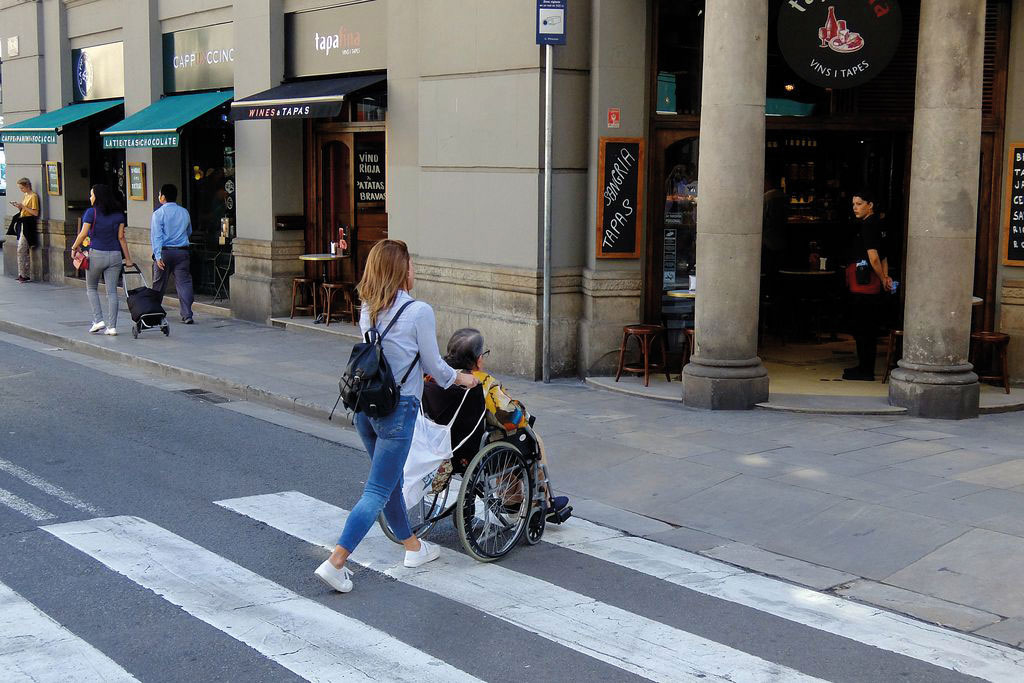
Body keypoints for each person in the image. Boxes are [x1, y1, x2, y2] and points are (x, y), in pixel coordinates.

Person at [315, 240, 479, 594]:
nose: (414, 270)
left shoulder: (367, 309)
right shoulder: (419, 311)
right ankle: (337, 561)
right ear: (401, 271)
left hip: (365, 408)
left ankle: (413, 548)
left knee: (386, 482)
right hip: (398, 411)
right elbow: (434, 365)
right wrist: (461, 378)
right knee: (377, 490)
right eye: (410, 265)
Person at [423, 328, 571, 521]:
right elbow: (512, 417)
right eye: (483, 354)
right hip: (474, 448)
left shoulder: (433, 377)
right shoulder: (483, 382)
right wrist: (520, 409)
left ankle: (512, 500)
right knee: (529, 439)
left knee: (501, 439)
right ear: (477, 359)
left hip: (446, 444)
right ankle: (540, 502)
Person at [843, 190, 894, 381]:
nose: (855, 208)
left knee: (862, 327)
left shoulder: (867, 225)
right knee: (868, 327)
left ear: (870, 205)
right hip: (872, 283)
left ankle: (865, 370)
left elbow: (874, 257)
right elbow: (884, 256)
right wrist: (886, 276)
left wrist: (882, 278)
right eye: (854, 204)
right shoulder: (880, 224)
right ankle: (864, 367)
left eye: (859, 204)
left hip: (864, 283)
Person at [70, 184, 133, 336]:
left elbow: (83, 233)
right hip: (115, 256)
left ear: (97, 197)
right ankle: (112, 327)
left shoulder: (91, 213)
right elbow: (121, 238)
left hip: (97, 254)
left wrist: (74, 248)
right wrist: (129, 259)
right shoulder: (119, 214)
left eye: (91, 195)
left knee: (91, 288)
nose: (90, 197)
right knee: (112, 292)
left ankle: (98, 320)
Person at [150, 184, 195, 323]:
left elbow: (156, 236)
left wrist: (157, 255)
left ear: (163, 197)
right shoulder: (184, 212)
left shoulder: (158, 214)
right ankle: (187, 314)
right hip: (182, 253)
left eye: (159, 195)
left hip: (164, 252)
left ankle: (155, 313)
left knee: (159, 284)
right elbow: (189, 232)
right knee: (184, 283)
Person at [8, 178, 40, 283]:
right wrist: (20, 207)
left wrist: (23, 207)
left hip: (28, 223)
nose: (21, 190)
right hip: (23, 222)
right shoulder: (26, 195)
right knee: (21, 249)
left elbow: (35, 213)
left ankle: (24, 274)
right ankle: (22, 273)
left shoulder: (33, 196)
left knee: (21, 249)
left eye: (22, 187)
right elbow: (25, 210)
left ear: (27, 186)